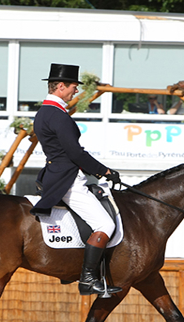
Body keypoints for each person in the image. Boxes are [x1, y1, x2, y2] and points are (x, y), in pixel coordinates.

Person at [31, 63, 122, 297]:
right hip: (68, 179)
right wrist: (105, 171)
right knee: (105, 225)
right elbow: (75, 153)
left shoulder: (44, 112)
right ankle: (88, 279)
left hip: (57, 172)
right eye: (73, 87)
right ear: (60, 86)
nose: (76, 91)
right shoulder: (58, 115)